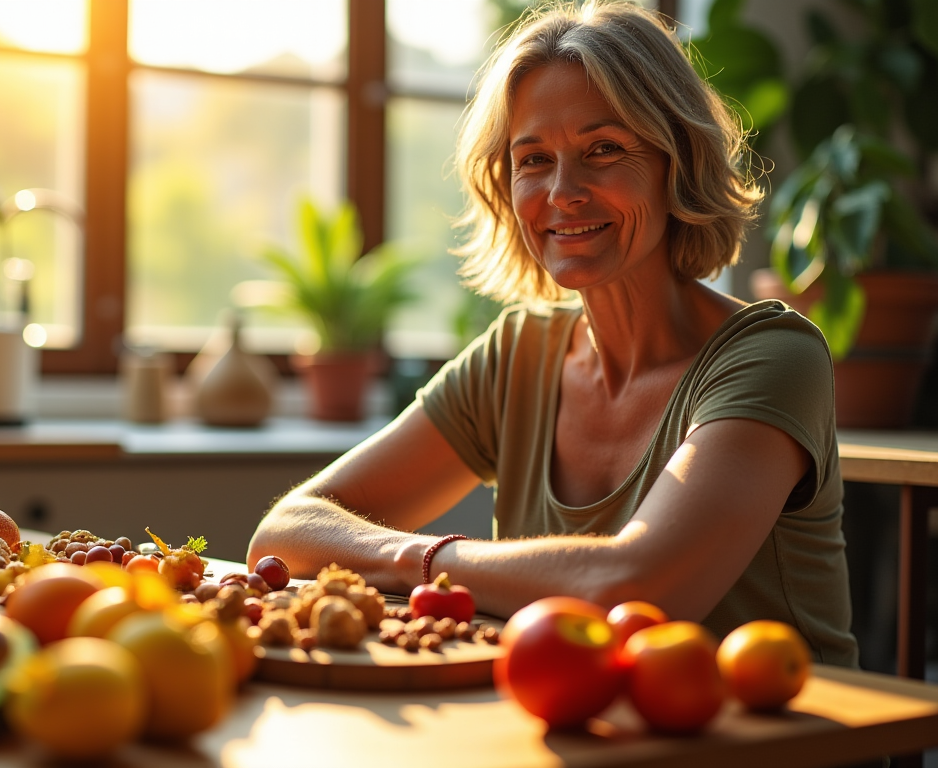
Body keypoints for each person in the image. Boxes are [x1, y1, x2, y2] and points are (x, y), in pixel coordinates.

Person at [246, 0, 858, 667]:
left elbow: (638, 590)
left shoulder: (772, 354)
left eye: (603, 150)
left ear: (675, 162)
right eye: (533, 159)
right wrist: (415, 557)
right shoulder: (520, 354)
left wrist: (423, 566)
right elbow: (284, 534)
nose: (563, 191)